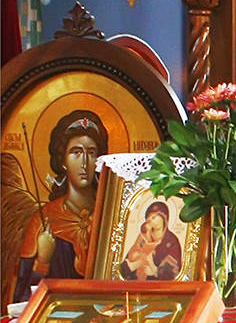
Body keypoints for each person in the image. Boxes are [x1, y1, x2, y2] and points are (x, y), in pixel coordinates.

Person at [14, 110, 108, 302]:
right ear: (63, 161)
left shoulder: (110, 213)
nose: (84, 163)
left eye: (91, 153)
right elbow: (20, 301)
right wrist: (43, 261)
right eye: (76, 153)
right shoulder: (45, 220)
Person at [120, 201, 183, 281]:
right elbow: (129, 260)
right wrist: (131, 266)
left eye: (154, 218)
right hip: (135, 285)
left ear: (164, 218)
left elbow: (173, 270)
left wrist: (156, 272)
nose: (151, 221)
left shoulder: (171, 241)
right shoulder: (143, 238)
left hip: (158, 289)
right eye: (149, 219)